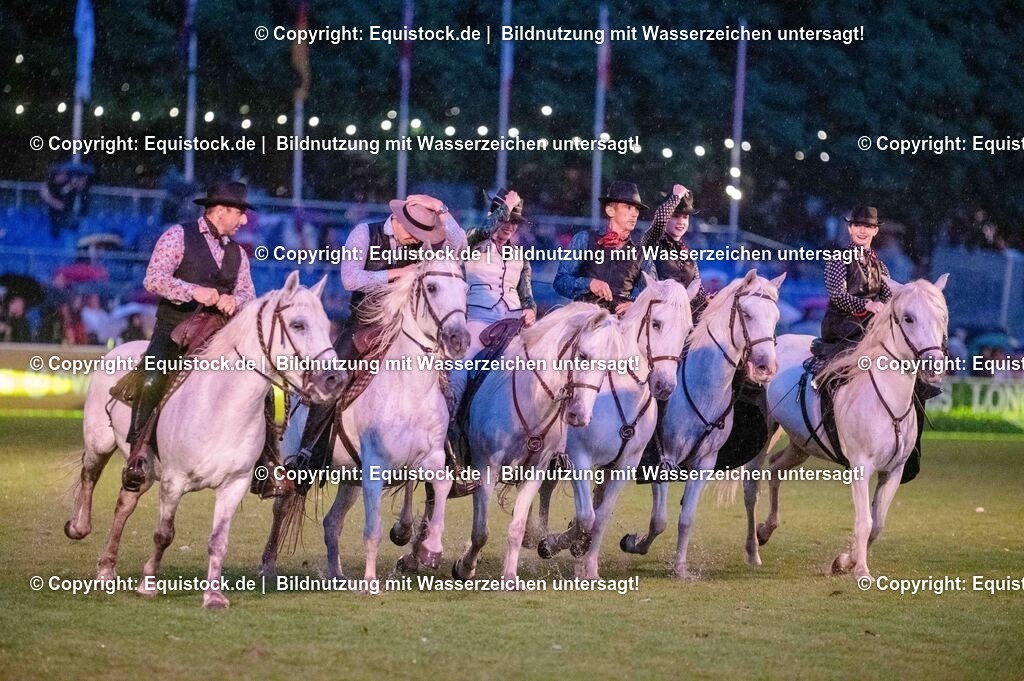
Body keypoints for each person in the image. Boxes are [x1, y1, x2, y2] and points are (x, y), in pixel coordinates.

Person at [288, 194, 466, 486]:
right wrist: (399, 273)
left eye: (423, 234)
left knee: (445, 386)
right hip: (364, 325)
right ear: (397, 220)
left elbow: (458, 245)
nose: (418, 240)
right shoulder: (364, 233)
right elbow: (351, 279)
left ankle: (450, 460)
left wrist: (440, 208)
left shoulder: (423, 242)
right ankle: (308, 453)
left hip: (408, 330)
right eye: (415, 233)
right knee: (330, 379)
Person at [121, 181, 262, 493]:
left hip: (219, 335)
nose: (243, 221)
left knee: (258, 381)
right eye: (239, 214)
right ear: (221, 211)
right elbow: (153, 279)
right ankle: (138, 453)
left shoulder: (239, 253)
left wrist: (233, 302)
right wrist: (194, 291)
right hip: (174, 329)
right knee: (153, 375)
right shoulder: (177, 235)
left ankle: (266, 462)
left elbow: (248, 295)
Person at [553, 180, 652, 314]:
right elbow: (560, 282)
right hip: (583, 318)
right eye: (628, 207)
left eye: (636, 209)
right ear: (610, 210)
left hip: (620, 324)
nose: (634, 214)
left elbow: (653, 293)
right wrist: (589, 283)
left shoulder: (641, 253)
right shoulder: (584, 239)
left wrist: (636, 304)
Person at [819, 206, 892, 354]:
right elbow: (838, 295)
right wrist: (867, 305)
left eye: (868, 227)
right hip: (841, 326)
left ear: (875, 231)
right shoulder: (838, 259)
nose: (862, 231)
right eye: (857, 225)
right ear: (850, 229)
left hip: (870, 325)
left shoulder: (880, 266)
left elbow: (889, 296)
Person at [642, 184, 711, 321]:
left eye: (685, 217)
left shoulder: (688, 255)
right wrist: (676, 197)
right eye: (676, 216)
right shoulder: (652, 241)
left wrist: (709, 300)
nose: (681, 222)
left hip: (681, 322)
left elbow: (698, 292)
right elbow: (660, 219)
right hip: (655, 320)